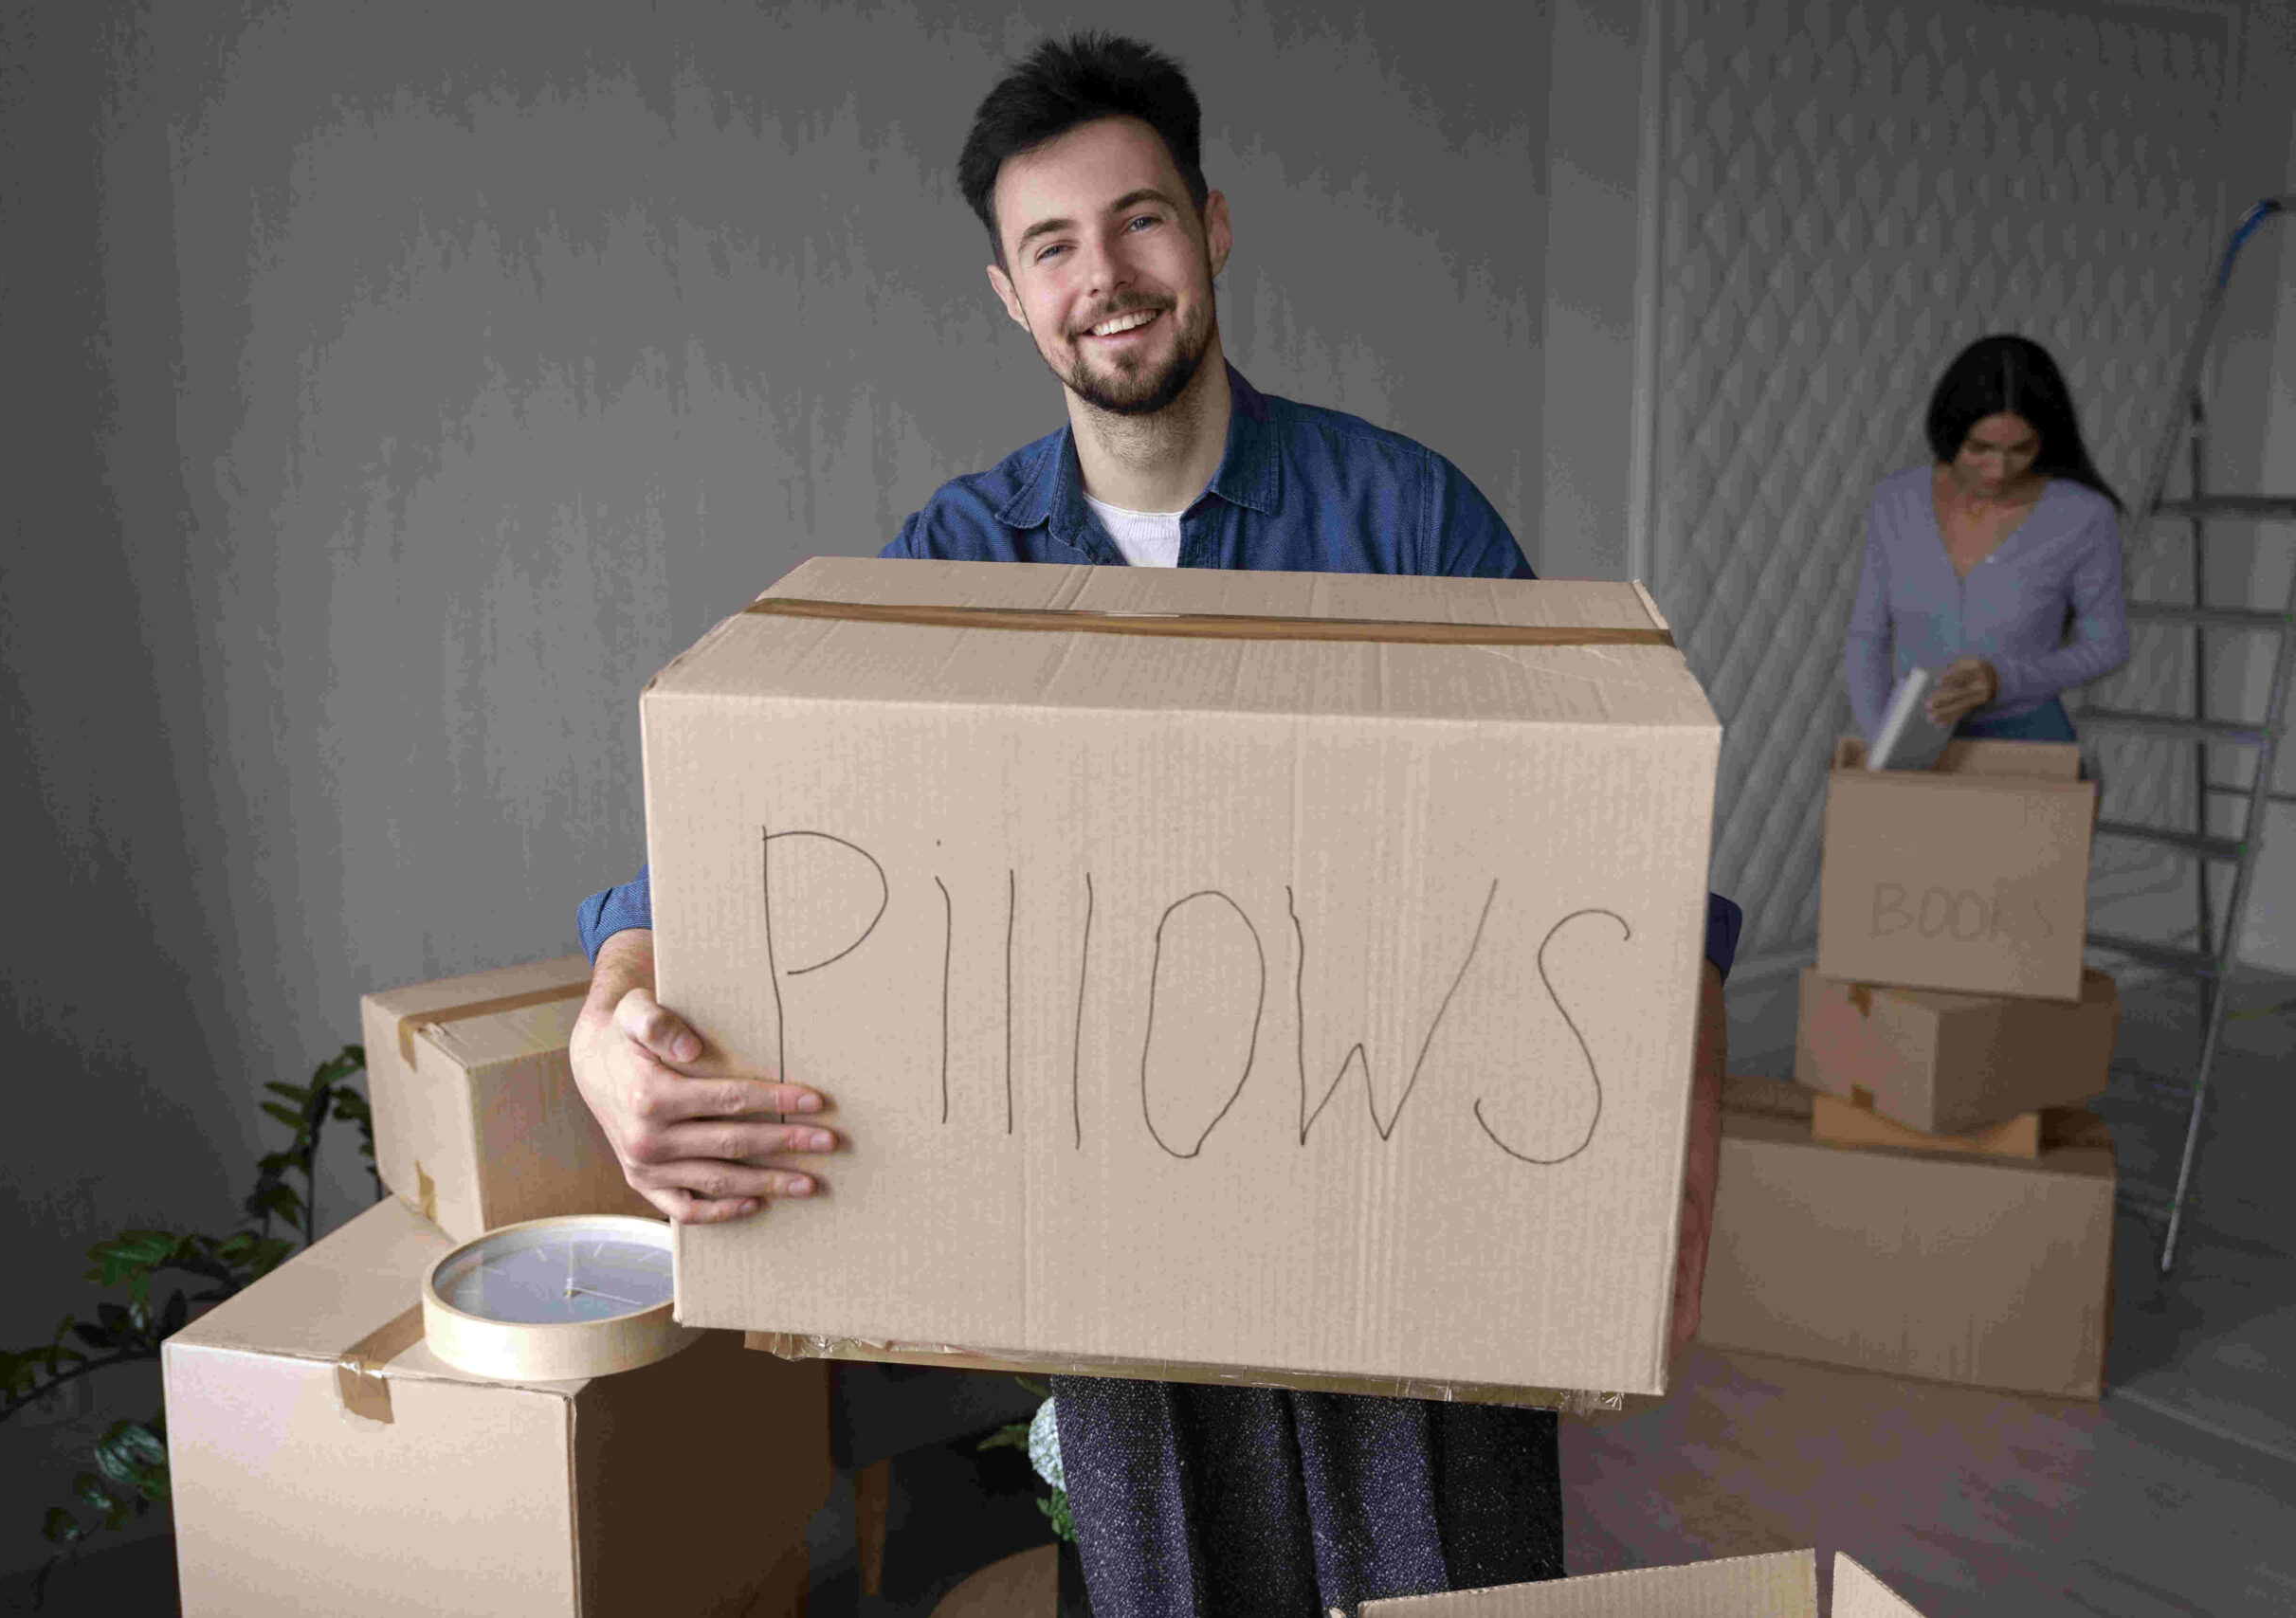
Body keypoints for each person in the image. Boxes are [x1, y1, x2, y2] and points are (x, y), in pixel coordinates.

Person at [570, 34, 1742, 1616]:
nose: (1106, 277)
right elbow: (744, 828)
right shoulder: (960, 561)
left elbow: (1624, 851)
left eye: (1140, 220)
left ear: (1214, 228)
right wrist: (611, 1015)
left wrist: (1674, 1190)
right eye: (1054, 245)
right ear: (1009, 293)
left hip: (1410, 1247)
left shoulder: (1407, 519)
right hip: (1123, 1276)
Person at [1844, 335, 2130, 745]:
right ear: (1950, 431)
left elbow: (2107, 646)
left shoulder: (2083, 516)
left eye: (2021, 449)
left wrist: (2004, 680)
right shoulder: (1896, 500)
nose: (1998, 470)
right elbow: (1866, 638)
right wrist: (1882, 741)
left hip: (2029, 739)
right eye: (1979, 448)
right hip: (1917, 737)